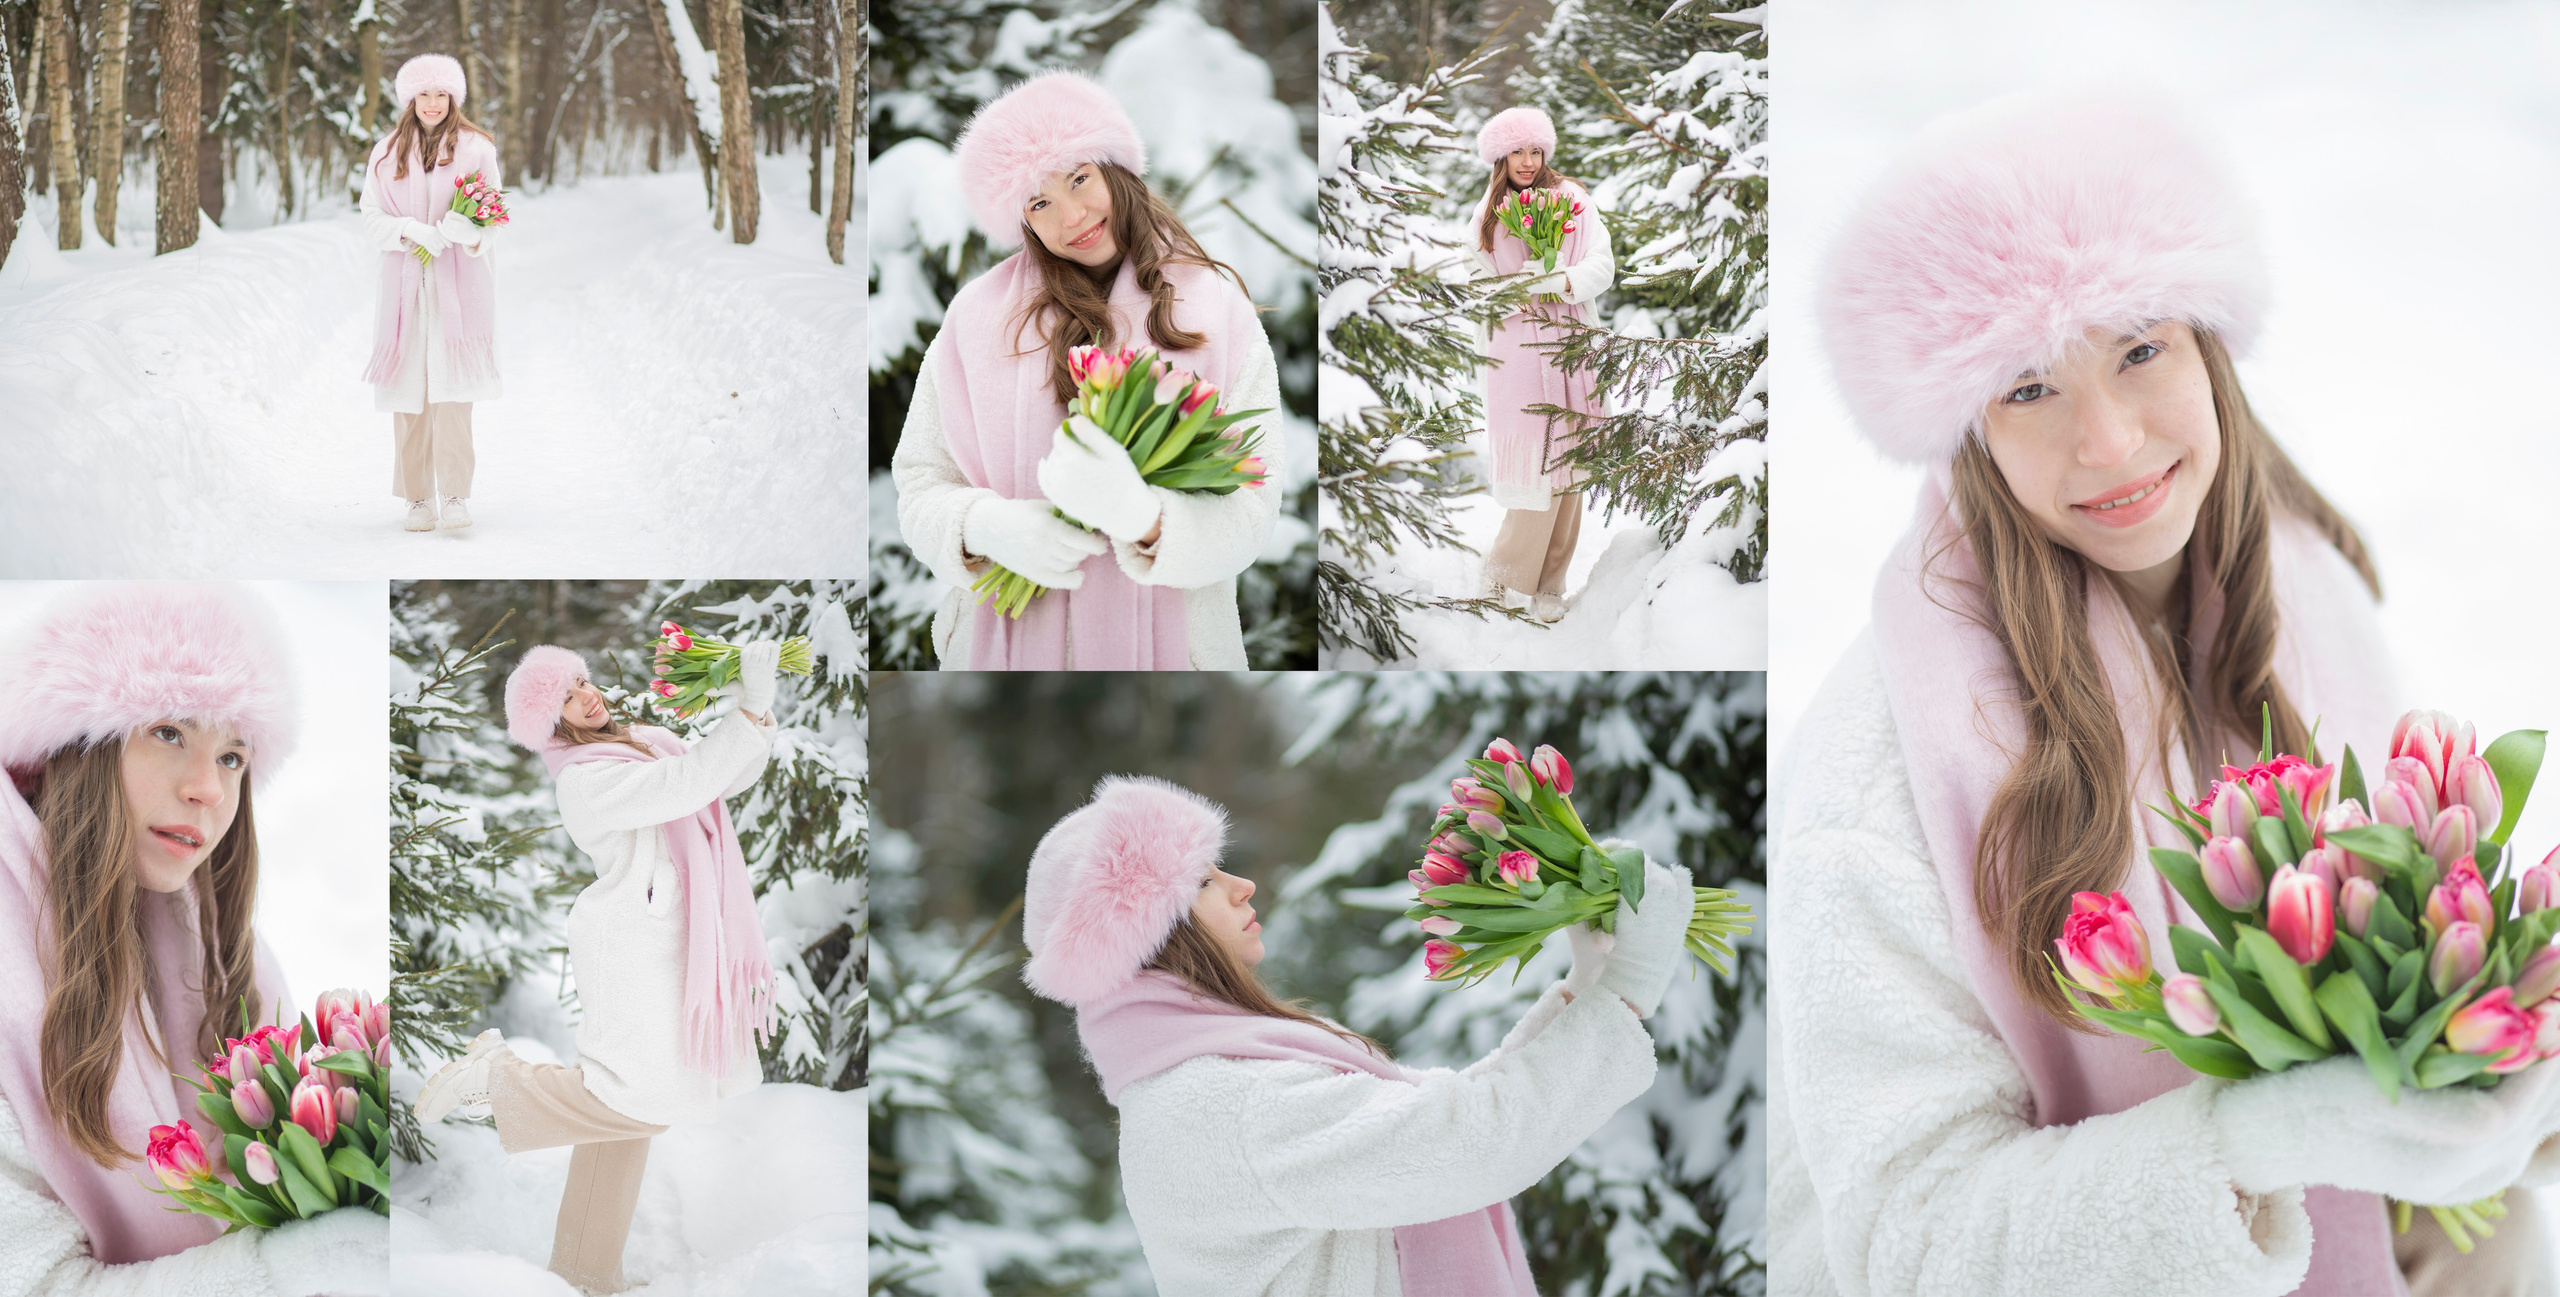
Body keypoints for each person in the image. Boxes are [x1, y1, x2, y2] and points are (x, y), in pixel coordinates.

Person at [1770, 88, 2560, 1297]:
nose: (2109, 442)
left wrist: (2494, 1100)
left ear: (2208, 345)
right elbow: (1905, 1238)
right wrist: (2247, 1151)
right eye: (2027, 387)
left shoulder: (2301, 588)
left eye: (2139, 348)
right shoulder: (1886, 769)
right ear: (1965, 432)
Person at [1019, 775, 1693, 1294]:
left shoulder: (1208, 1080)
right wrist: (1626, 988)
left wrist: (1585, 988)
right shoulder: (1225, 1104)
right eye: (1203, 880)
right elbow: (1462, 1143)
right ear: (1148, 937)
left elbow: (1429, 1121)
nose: (1241, 885)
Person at [0, 583, 383, 1294]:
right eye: (170, 732)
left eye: (233, 756)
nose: (209, 788)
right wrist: (286, 1270)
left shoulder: (214, 945)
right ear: (72, 747)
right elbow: (33, 1282)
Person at [412, 642, 782, 1294]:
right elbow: (686, 784)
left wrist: (755, 713)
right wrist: (748, 710)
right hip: (630, 948)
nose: (587, 695)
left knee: (624, 1121)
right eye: (567, 696)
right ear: (552, 724)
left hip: (668, 942)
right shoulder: (584, 780)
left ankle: (585, 1275)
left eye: (581, 681)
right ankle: (496, 1079)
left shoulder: (644, 743)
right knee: (632, 1100)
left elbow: (724, 778)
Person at [893, 72, 1280, 669]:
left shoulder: (1218, 311)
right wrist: (984, 526)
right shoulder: (974, 319)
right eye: (1039, 202)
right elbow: (921, 482)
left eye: (1079, 179)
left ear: (1114, 169)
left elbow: (1253, 511)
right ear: (1021, 220)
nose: (1072, 216)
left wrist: (1146, 522)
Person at [1469, 105, 1615, 623]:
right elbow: (1475, 284)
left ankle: (1551, 583)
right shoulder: (1489, 212)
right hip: (1516, 350)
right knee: (1535, 463)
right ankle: (1504, 575)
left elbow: (1603, 264)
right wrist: (1521, 285)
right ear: (1501, 157)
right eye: (1517, 151)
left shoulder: (1572, 198)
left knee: (1570, 464)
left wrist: (1560, 279)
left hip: (1572, 343)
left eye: (1535, 150)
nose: (1527, 161)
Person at [359, 53, 505, 534]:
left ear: (454, 98)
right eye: (424, 93)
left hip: (457, 291)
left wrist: (466, 231)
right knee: (410, 395)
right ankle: (418, 498)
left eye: (442, 94)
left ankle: (456, 494)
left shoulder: (477, 149)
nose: (433, 103)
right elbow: (371, 219)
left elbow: (492, 218)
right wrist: (410, 231)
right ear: (410, 98)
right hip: (404, 289)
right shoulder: (386, 153)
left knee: (453, 394)